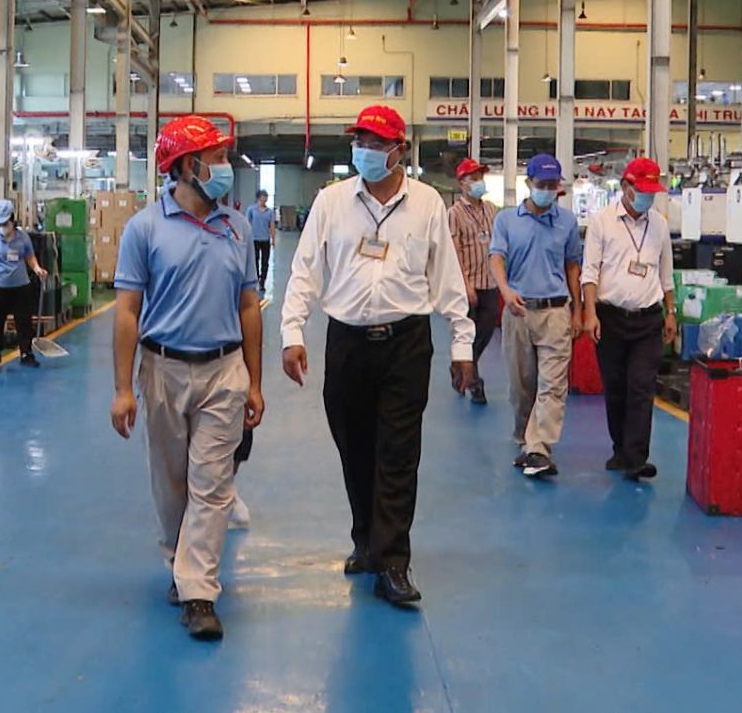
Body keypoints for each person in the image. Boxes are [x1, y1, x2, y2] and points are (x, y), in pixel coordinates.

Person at [281, 104, 476, 606]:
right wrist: (292, 332)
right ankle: (365, 539)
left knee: (398, 454)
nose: (363, 151)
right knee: (354, 447)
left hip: (406, 344)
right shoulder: (331, 202)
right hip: (346, 342)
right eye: (359, 142)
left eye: (373, 143)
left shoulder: (428, 204)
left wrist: (462, 344)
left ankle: (393, 561)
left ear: (399, 151)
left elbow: (446, 277)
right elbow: (305, 269)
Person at [109, 115, 264, 641]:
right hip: (163, 369)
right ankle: (181, 564)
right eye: (215, 158)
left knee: (212, 484)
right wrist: (123, 389)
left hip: (224, 370)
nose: (224, 168)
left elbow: (249, 306)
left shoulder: (237, 226)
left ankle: (199, 591)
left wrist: (256, 381)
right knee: (170, 482)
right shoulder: (144, 228)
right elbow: (127, 311)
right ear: (184, 166)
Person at [581, 158, 677, 481]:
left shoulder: (659, 224)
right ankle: (620, 449)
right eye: (643, 191)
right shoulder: (602, 222)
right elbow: (589, 271)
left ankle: (637, 457)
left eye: (653, 192)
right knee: (616, 387)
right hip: (610, 317)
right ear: (626, 186)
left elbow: (666, 272)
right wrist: (590, 312)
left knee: (641, 386)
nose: (648, 198)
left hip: (648, 319)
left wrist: (671, 311)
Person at [489, 153, 583, 478]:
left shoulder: (568, 222)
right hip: (518, 311)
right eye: (541, 184)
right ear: (528, 183)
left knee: (553, 385)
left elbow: (573, 265)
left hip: (556, 311)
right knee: (521, 386)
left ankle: (539, 448)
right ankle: (524, 441)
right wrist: (504, 290)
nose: (547, 190)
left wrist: (578, 309)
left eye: (552, 185)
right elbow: (496, 257)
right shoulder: (506, 220)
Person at [447, 157, 500, 405]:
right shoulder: (454, 214)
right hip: (468, 283)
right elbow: (454, 250)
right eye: (474, 178)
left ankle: (462, 363)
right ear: (462, 183)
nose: (479, 182)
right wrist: (465, 284)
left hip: (490, 282)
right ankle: (475, 384)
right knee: (468, 333)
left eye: (481, 177)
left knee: (485, 332)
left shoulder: (491, 209)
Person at [0, 199, 47, 368]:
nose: (2, 226)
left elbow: (30, 257)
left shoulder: (23, 238)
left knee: (24, 322)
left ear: (12, 219)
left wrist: (37, 269)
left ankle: (26, 353)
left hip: (21, 287)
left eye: (5, 222)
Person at [246, 189, 277, 291]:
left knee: (265, 262)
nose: (265, 199)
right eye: (263, 196)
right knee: (255, 261)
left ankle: (262, 282)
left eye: (266, 197)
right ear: (259, 198)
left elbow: (272, 226)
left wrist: (273, 239)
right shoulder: (251, 210)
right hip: (254, 239)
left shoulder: (270, 212)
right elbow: (247, 224)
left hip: (265, 239)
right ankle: (255, 279)